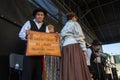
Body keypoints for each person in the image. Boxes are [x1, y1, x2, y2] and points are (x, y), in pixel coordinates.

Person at [60, 12, 91, 80]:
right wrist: (84, 49)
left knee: (68, 66)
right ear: (74, 17)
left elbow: (61, 41)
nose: (76, 20)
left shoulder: (63, 28)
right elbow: (79, 36)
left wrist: (62, 49)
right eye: (75, 18)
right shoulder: (75, 24)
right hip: (74, 46)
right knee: (77, 64)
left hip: (65, 48)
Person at [19, 8, 47, 80]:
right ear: (35, 16)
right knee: (27, 73)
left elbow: (48, 39)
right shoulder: (29, 23)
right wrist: (27, 36)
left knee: (38, 74)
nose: (40, 16)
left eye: (42, 15)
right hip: (29, 53)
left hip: (40, 54)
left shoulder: (45, 27)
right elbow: (21, 34)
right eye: (38, 14)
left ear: (43, 17)